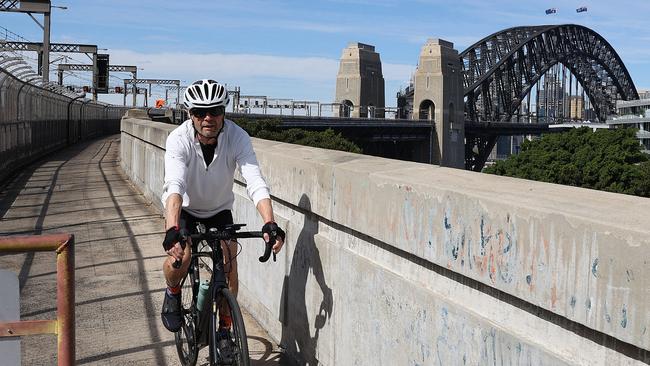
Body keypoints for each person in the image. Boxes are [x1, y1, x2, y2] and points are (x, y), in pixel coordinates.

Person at [160, 79, 285, 339]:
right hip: (186, 209)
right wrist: (173, 229)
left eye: (215, 111)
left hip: (219, 210)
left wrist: (270, 222)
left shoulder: (237, 137)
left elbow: (255, 182)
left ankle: (225, 329)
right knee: (179, 258)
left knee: (229, 267)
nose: (208, 118)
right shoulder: (178, 139)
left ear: (224, 112)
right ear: (189, 114)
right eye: (200, 112)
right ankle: (172, 292)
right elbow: (175, 187)